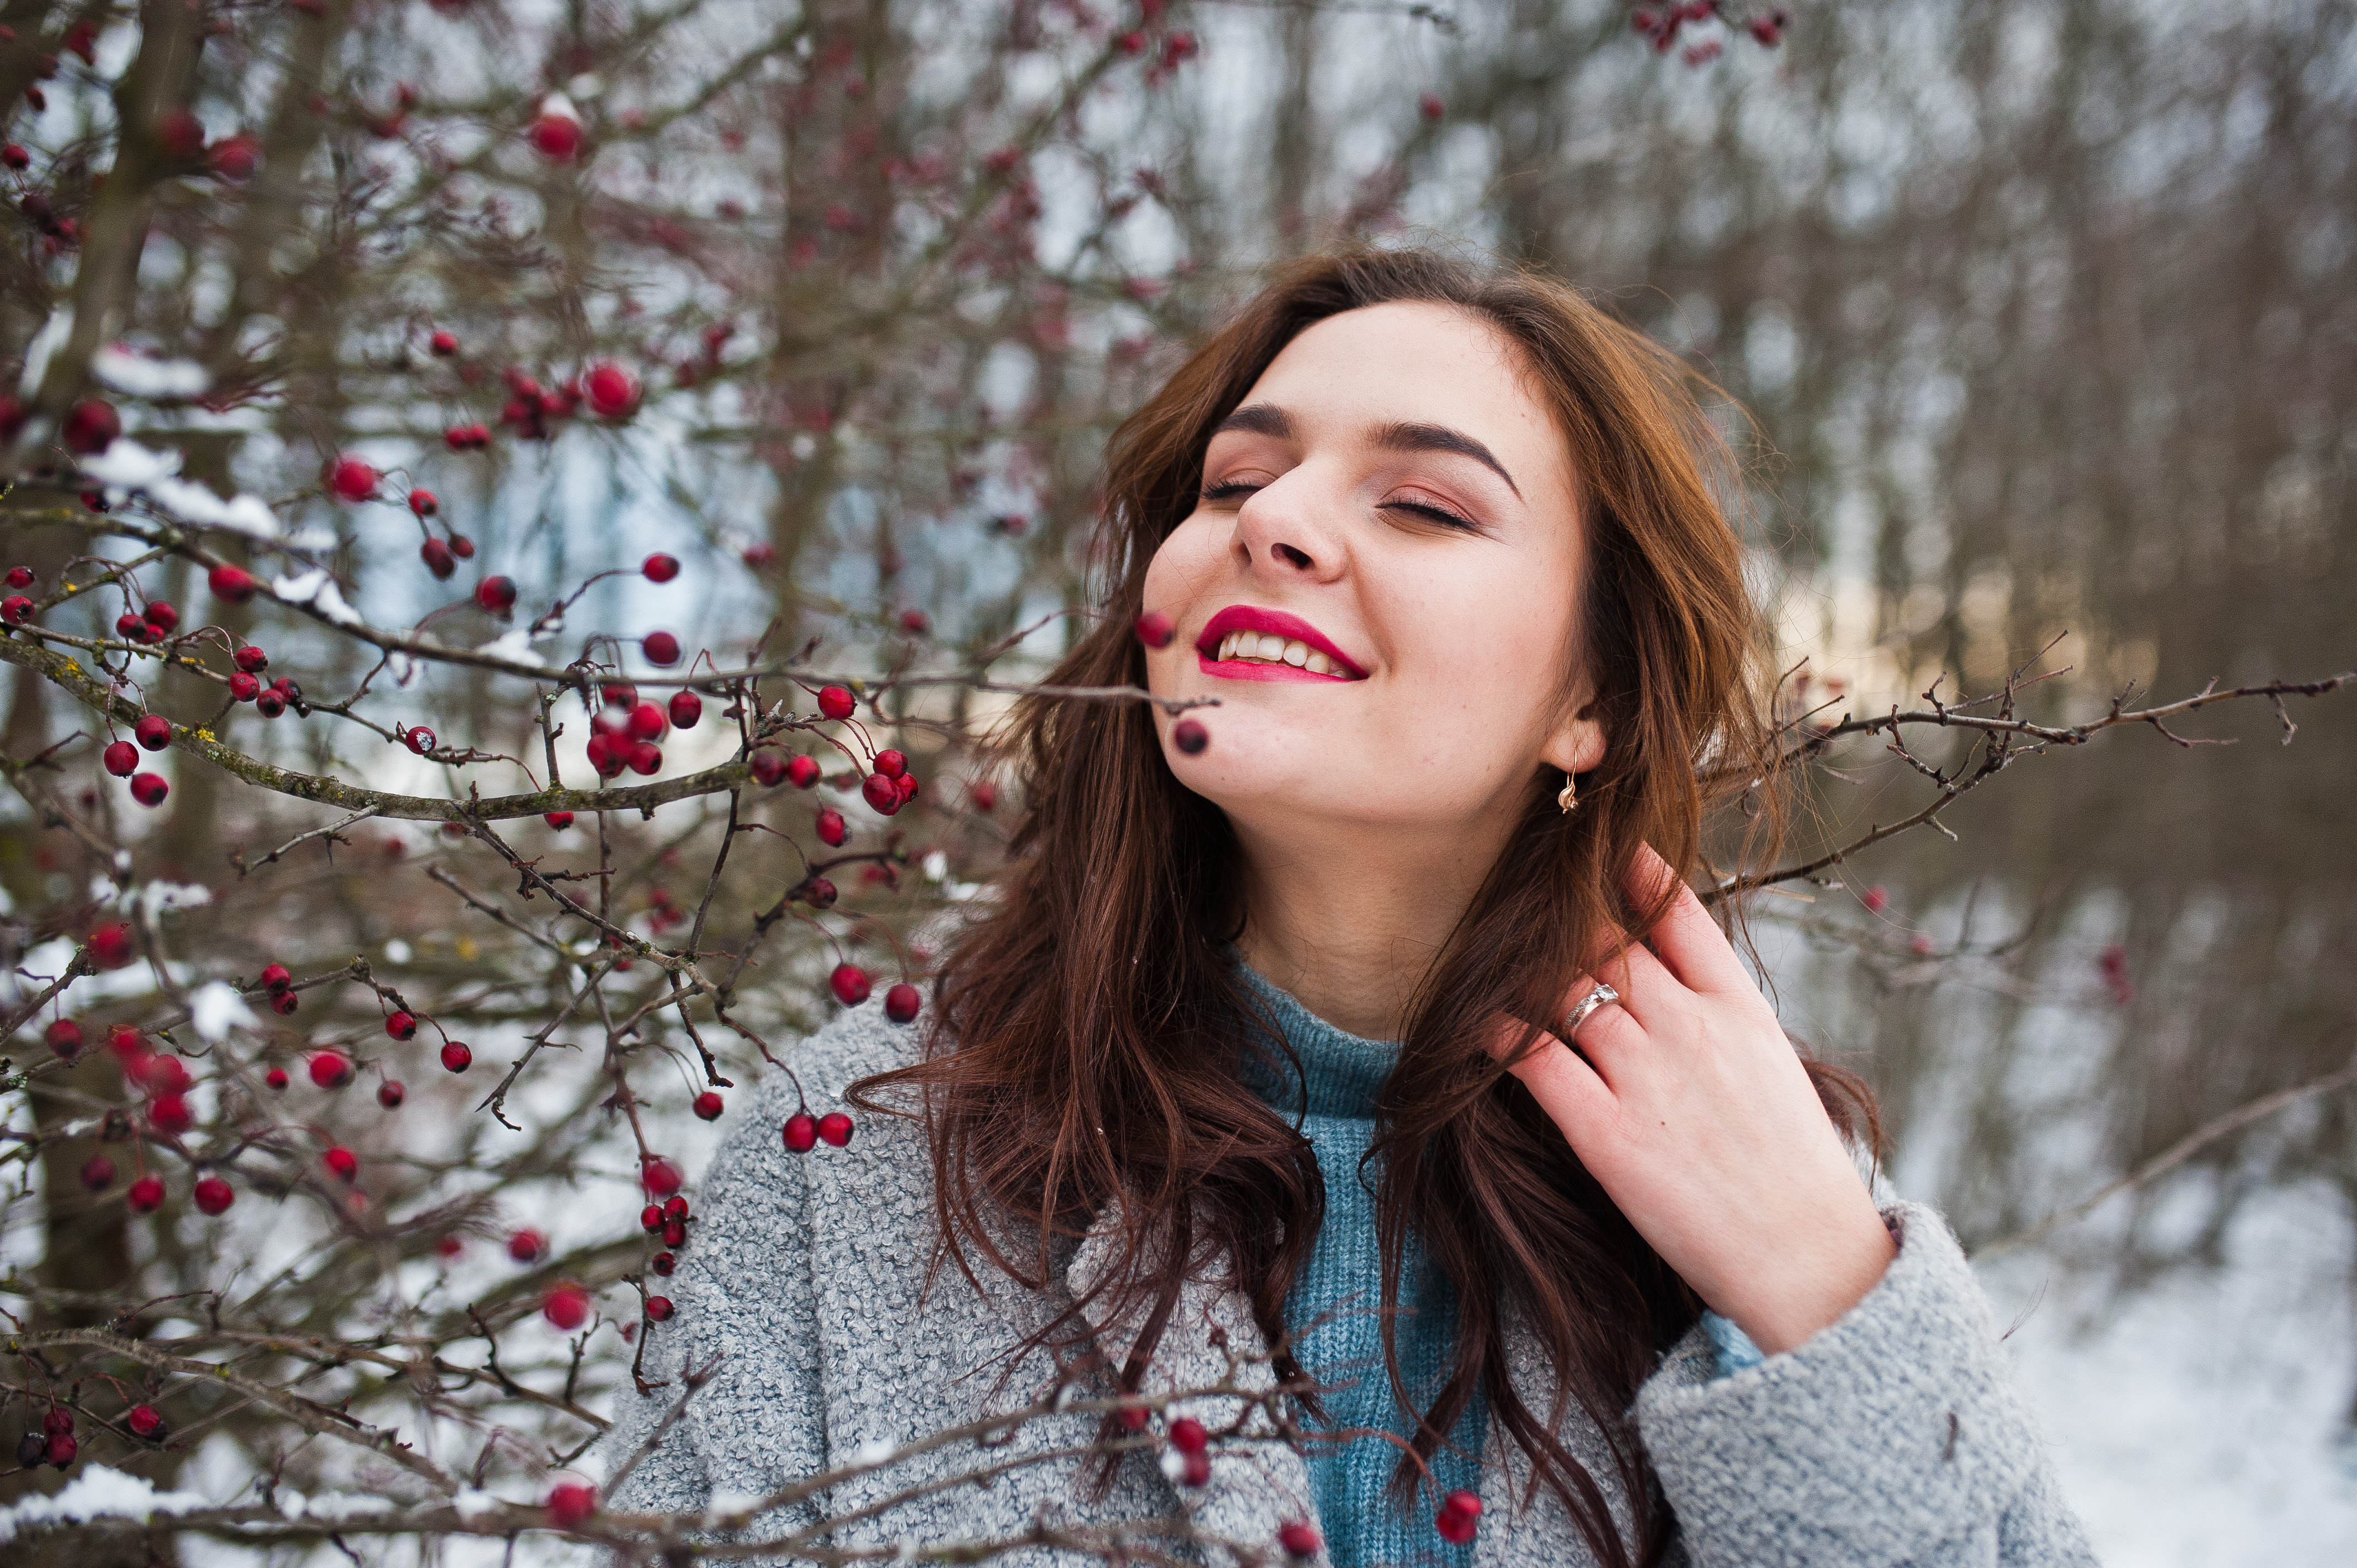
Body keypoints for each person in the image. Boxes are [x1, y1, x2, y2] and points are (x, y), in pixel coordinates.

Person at [600, 247, 2097, 1568]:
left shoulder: (1756, 1205)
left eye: (1428, 504)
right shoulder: (854, 1154)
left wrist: (1828, 1302)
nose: (1276, 523)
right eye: (1235, 483)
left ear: (1592, 696)